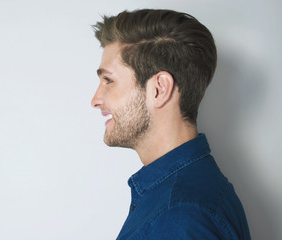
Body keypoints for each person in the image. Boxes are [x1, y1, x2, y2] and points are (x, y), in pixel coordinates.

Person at [91, 9, 251, 239]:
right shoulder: (182, 198)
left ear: (159, 89)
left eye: (108, 80)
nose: (95, 100)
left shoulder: (179, 216)